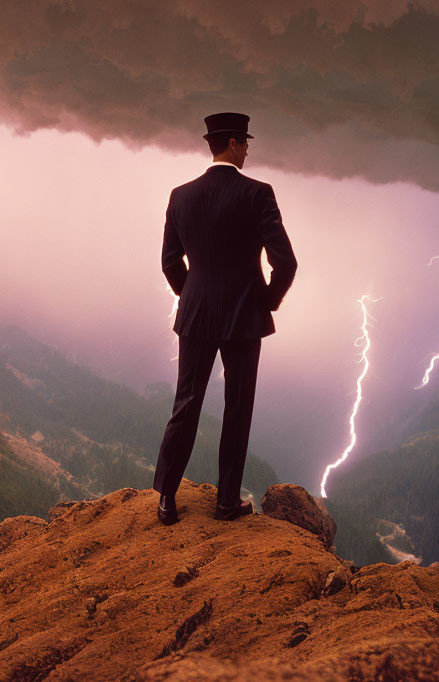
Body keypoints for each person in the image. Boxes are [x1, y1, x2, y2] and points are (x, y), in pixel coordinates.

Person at [154, 112, 298, 525]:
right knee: (237, 407)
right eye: (246, 142)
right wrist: (266, 301)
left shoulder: (180, 195)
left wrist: (192, 294)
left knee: (186, 404)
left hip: (195, 316)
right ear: (233, 144)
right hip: (243, 318)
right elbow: (285, 262)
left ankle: (166, 498)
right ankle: (226, 503)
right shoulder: (258, 194)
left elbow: (169, 261)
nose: (249, 149)